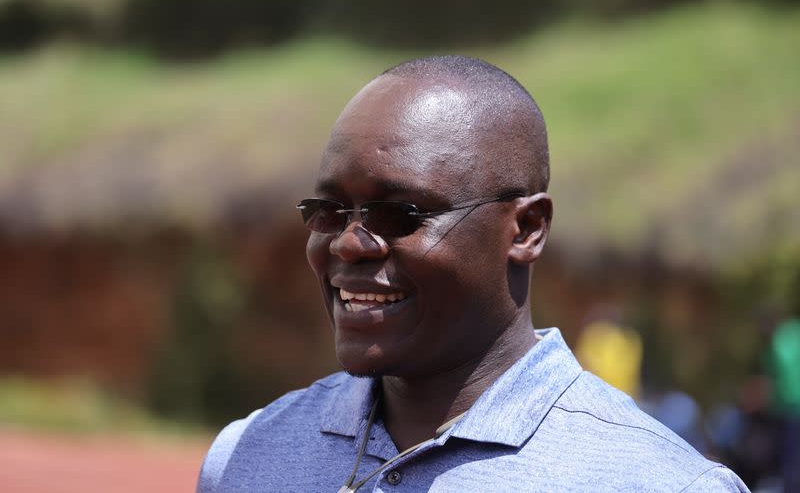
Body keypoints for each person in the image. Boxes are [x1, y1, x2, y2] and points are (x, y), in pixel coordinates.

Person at [197, 56, 748, 492]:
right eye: (329, 211)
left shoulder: (656, 482)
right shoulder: (250, 456)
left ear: (527, 229)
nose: (347, 241)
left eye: (400, 215)